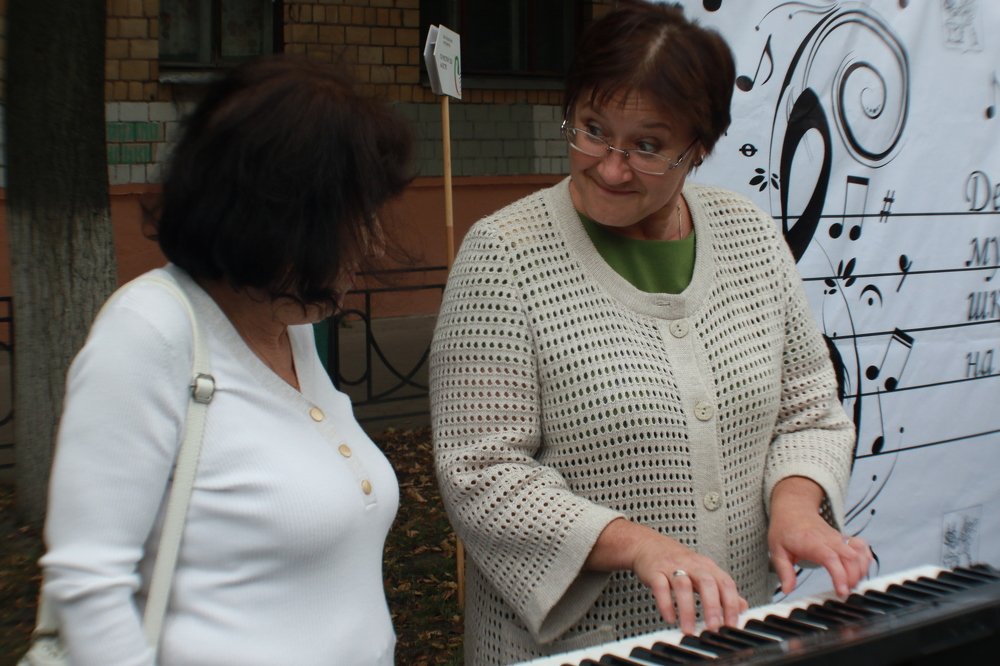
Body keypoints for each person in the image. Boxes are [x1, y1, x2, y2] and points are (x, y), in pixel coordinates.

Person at [429, 2, 874, 663]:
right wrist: (636, 544)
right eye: (592, 130)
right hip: (578, 649)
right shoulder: (505, 254)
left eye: (647, 146)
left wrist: (796, 505)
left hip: (734, 638)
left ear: (700, 148)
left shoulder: (751, 236)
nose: (611, 168)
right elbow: (481, 471)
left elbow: (808, 410)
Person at [39, 55, 412, 665]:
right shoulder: (148, 332)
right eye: (352, 218)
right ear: (275, 217)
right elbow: (88, 583)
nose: (368, 243)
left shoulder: (287, 323)